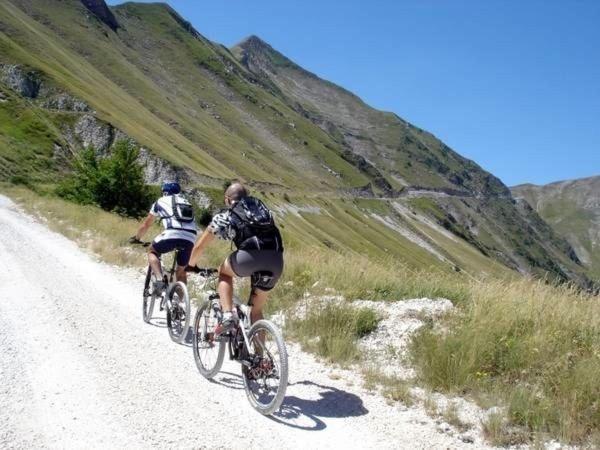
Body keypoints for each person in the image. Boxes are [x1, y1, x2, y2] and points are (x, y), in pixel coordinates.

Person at [187, 182, 284, 330]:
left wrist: (190, 265)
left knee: (224, 272)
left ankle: (227, 315)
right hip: (276, 261)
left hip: (249, 257)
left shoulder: (226, 215)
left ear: (227, 199)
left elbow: (200, 245)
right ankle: (257, 352)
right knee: (256, 311)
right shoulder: (262, 213)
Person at [130, 181, 197, 293]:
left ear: (165, 192)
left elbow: (146, 224)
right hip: (190, 237)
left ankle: (159, 279)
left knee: (152, 251)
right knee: (181, 271)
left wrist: (137, 238)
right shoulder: (187, 203)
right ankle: (181, 305)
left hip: (172, 233)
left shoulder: (160, 201)